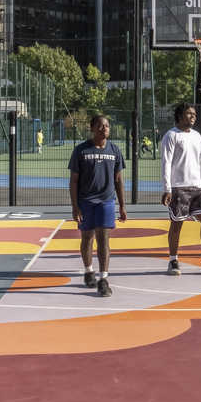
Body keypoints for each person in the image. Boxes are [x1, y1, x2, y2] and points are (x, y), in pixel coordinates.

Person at [160, 102, 201, 276]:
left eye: (194, 114)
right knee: (176, 225)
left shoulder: (197, 136)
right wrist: (167, 188)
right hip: (179, 187)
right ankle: (173, 261)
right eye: (189, 113)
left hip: (198, 187)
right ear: (180, 116)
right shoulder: (171, 136)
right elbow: (166, 163)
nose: (192, 116)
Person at [68, 114, 128, 297]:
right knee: (87, 238)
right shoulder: (81, 151)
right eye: (101, 126)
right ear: (92, 128)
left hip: (106, 201)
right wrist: (75, 206)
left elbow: (118, 179)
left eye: (107, 126)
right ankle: (88, 272)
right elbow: (74, 181)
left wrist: (122, 205)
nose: (105, 129)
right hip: (85, 201)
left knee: (104, 238)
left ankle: (103, 279)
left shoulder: (115, 150)